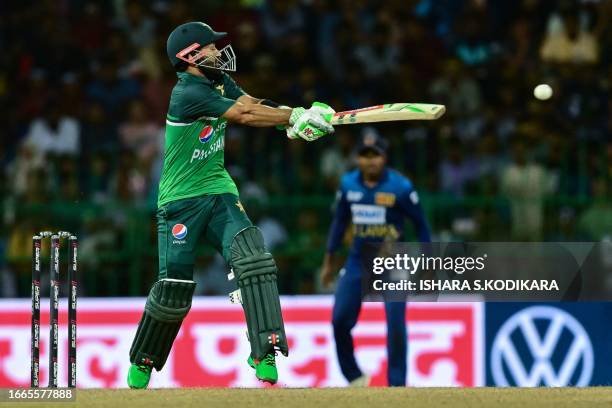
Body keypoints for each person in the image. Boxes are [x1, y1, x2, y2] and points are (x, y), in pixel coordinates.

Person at [127, 21, 335, 389]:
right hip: (180, 201)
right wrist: (294, 117)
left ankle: (265, 352)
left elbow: (251, 103)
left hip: (218, 189)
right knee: (174, 287)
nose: (218, 52)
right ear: (190, 57)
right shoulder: (187, 93)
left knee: (253, 259)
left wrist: (295, 116)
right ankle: (144, 359)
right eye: (210, 47)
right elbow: (244, 116)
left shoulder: (217, 81)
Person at [320, 132, 431, 387]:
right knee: (339, 320)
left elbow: (422, 226)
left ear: (385, 157)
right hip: (358, 260)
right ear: (357, 157)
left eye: (375, 155)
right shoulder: (348, 184)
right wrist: (329, 260)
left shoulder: (401, 187)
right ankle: (354, 377)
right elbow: (339, 223)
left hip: (394, 262)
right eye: (364, 155)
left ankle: (397, 385)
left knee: (395, 324)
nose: (370, 161)